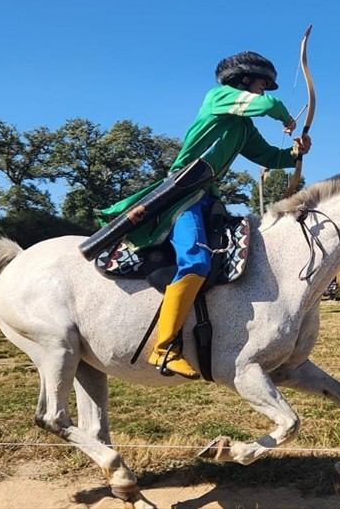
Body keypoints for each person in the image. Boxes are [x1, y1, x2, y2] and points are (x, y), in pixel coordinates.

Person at [97, 51, 311, 379]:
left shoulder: (242, 127)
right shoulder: (218, 98)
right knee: (196, 260)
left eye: (268, 87)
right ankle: (164, 348)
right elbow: (269, 107)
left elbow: (268, 154)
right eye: (262, 84)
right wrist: (285, 118)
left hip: (207, 196)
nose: (265, 92)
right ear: (242, 81)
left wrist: (295, 153)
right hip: (183, 193)